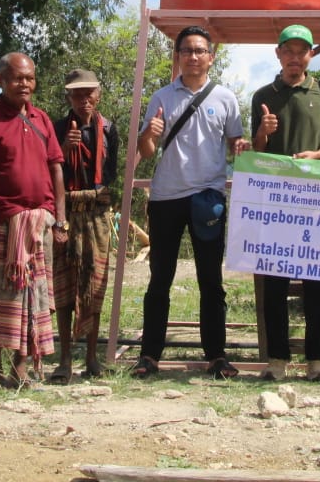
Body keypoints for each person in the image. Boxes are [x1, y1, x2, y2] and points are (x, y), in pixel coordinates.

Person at [133, 25, 248, 380]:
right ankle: (149, 355)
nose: (194, 57)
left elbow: (235, 146)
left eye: (200, 51)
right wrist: (147, 136)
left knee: (211, 281)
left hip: (207, 198)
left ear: (211, 58)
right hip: (167, 197)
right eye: (187, 50)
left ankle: (216, 356)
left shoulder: (226, 99)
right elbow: (147, 151)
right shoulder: (162, 97)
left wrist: (243, 148)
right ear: (177, 56)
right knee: (160, 280)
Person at [0, 52, 69, 389]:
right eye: (18, 78)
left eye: (30, 78)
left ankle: (21, 368)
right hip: (0, 222)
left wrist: (60, 220)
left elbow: (55, 168)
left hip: (40, 225)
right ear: (1, 80)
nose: (25, 84)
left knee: (33, 296)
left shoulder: (42, 119)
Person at [249, 25, 320, 382]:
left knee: (316, 285)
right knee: (274, 284)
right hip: (275, 202)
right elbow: (255, 149)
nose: (294, 57)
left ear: (311, 55)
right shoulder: (263, 94)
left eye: (301, 51)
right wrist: (264, 131)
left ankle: (316, 360)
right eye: (287, 51)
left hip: (316, 201)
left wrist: (319, 154)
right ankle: (276, 361)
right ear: (278, 54)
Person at [49, 68, 119, 382]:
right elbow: (47, 170)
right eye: (77, 94)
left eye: (89, 93)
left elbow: (112, 174)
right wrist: (64, 148)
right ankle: (64, 359)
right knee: (65, 287)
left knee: (95, 286)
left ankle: (91, 357)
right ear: (69, 97)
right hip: (65, 212)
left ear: (98, 95)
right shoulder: (56, 128)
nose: (84, 99)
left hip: (98, 214)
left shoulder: (109, 129)